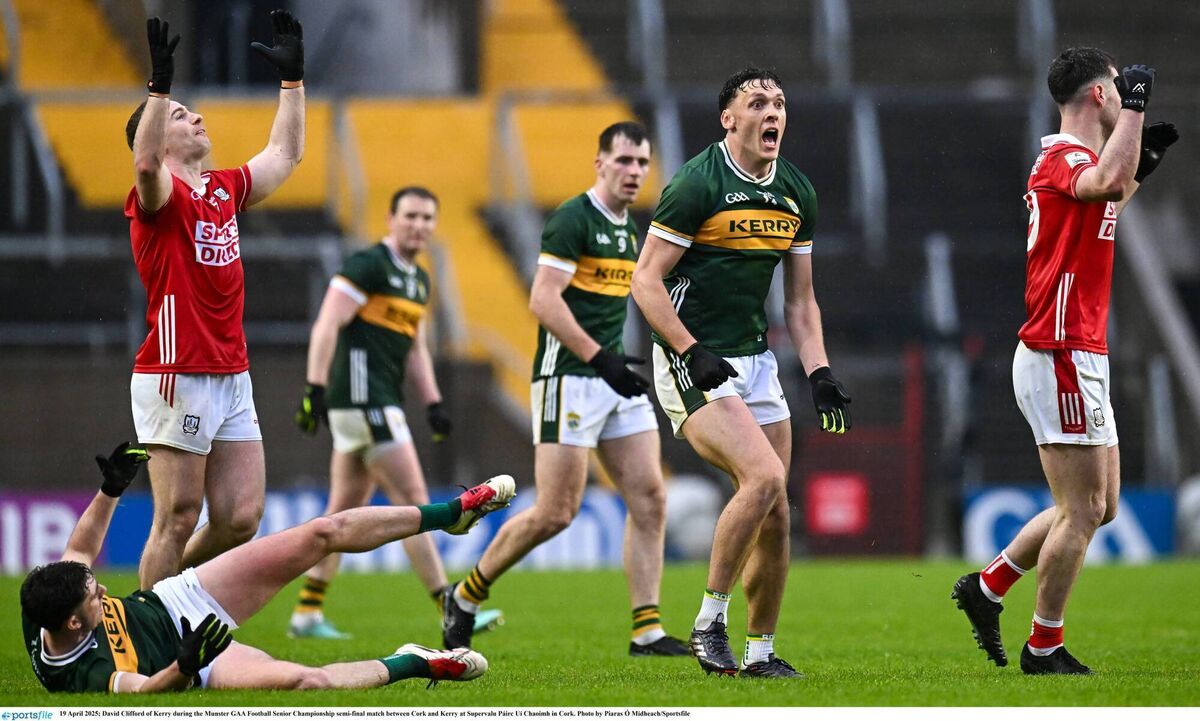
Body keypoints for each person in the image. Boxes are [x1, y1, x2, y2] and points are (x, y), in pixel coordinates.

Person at [952, 48, 1177, 675]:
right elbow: (1102, 183)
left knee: (1100, 506)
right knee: (1080, 510)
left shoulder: (1074, 165)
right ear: (1101, 97)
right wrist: (1136, 111)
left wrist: (1144, 164)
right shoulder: (1063, 159)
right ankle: (1042, 647)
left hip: (1079, 349)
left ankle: (988, 587)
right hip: (1059, 349)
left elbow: (1108, 200)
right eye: (1116, 91)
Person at [629, 68, 852, 678]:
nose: (772, 112)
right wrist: (690, 349)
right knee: (760, 478)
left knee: (777, 506)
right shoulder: (697, 184)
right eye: (757, 103)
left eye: (779, 102)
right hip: (691, 359)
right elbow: (644, 282)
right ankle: (707, 624)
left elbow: (801, 302)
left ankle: (759, 654)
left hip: (754, 362)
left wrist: (819, 371)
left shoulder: (796, 191)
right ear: (729, 119)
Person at [440, 122, 689, 657]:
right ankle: (465, 594)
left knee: (650, 496)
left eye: (642, 163)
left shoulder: (628, 229)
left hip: (612, 376)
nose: (634, 172)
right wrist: (600, 357)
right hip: (569, 378)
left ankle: (646, 631)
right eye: (623, 161)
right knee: (557, 511)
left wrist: (615, 360)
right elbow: (543, 300)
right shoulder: (574, 218)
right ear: (599, 163)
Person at [19, 442, 516, 693]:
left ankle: (452, 515)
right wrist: (185, 664)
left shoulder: (47, 597)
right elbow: (146, 690)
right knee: (307, 681)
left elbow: (80, 549)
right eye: (94, 597)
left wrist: (110, 488)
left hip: (179, 599)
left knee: (321, 533)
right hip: (196, 662)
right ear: (72, 622)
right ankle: (414, 662)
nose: (103, 590)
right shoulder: (84, 674)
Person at [124, 11, 307, 590]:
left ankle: (170, 600)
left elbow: (285, 155)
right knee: (176, 518)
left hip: (231, 371)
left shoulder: (222, 188)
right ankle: (147, 640)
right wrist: (159, 90)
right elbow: (148, 162)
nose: (196, 116)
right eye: (182, 116)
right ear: (156, 134)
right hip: (178, 370)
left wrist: (293, 83)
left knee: (239, 518)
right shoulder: (158, 197)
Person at [290, 187, 500, 638]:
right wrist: (315, 387)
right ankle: (449, 606)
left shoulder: (418, 279)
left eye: (427, 217)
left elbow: (416, 349)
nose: (419, 225)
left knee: (341, 510)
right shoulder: (369, 265)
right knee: (415, 501)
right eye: (411, 216)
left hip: (378, 402)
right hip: (365, 402)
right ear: (390, 217)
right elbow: (328, 322)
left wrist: (433, 402)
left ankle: (306, 612)